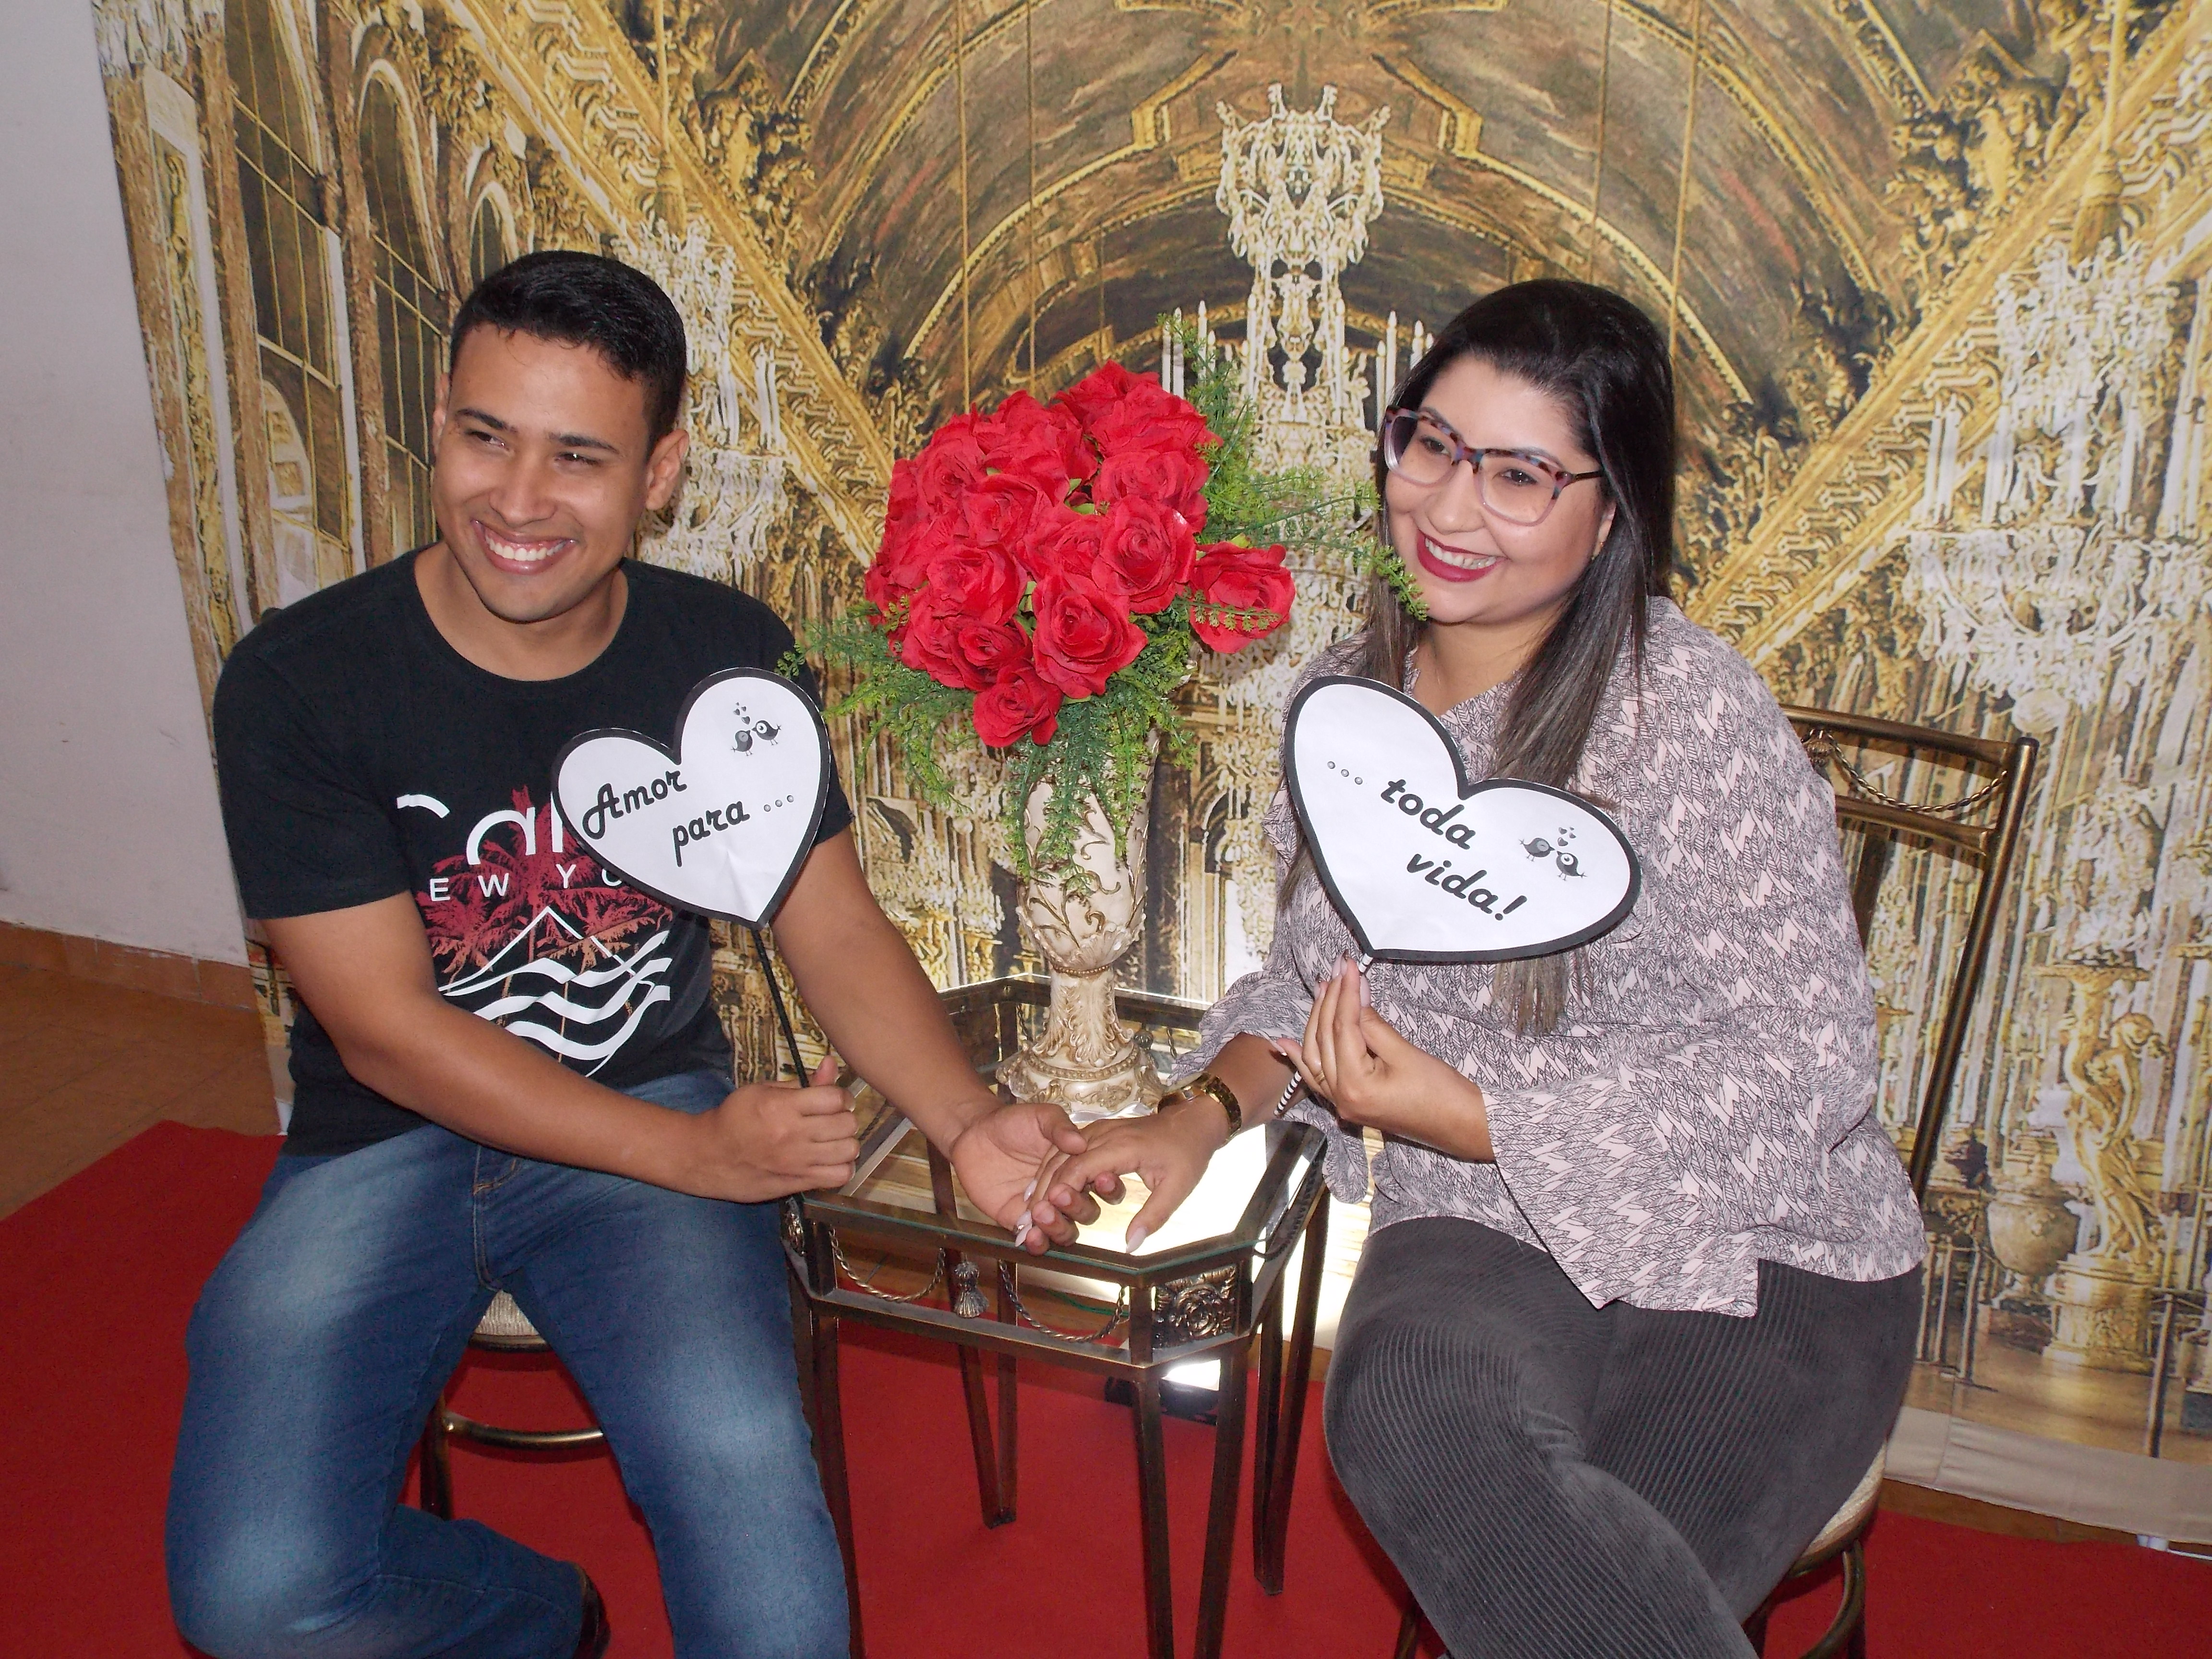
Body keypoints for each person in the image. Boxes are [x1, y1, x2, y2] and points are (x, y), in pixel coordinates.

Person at [167, 251, 1104, 1659]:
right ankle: (540, 1617)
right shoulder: (301, 680)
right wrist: (698, 1158)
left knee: (764, 1565)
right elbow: (385, 1033)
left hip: (648, 1107)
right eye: (486, 436)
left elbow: (828, 918)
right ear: (439, 422)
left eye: (577, 456)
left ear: (659, 474)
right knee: (254, 1595)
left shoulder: (724, 657)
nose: (517, 499)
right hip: (388, 1139)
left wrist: (964, 1121)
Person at [1022, 280, 1926, 1656]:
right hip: (1485, 1221)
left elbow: (1812, 1066)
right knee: (1412, 1415)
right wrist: (1192, 1117)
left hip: (1764, 1241)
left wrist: (1485, 1113)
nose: (1449, 507)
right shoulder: (1350, 707)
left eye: (1519, 475)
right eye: (1432, 445)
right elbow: (1317, 982)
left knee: (1593, 1567)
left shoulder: (1688, 717)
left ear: (1611, 513)